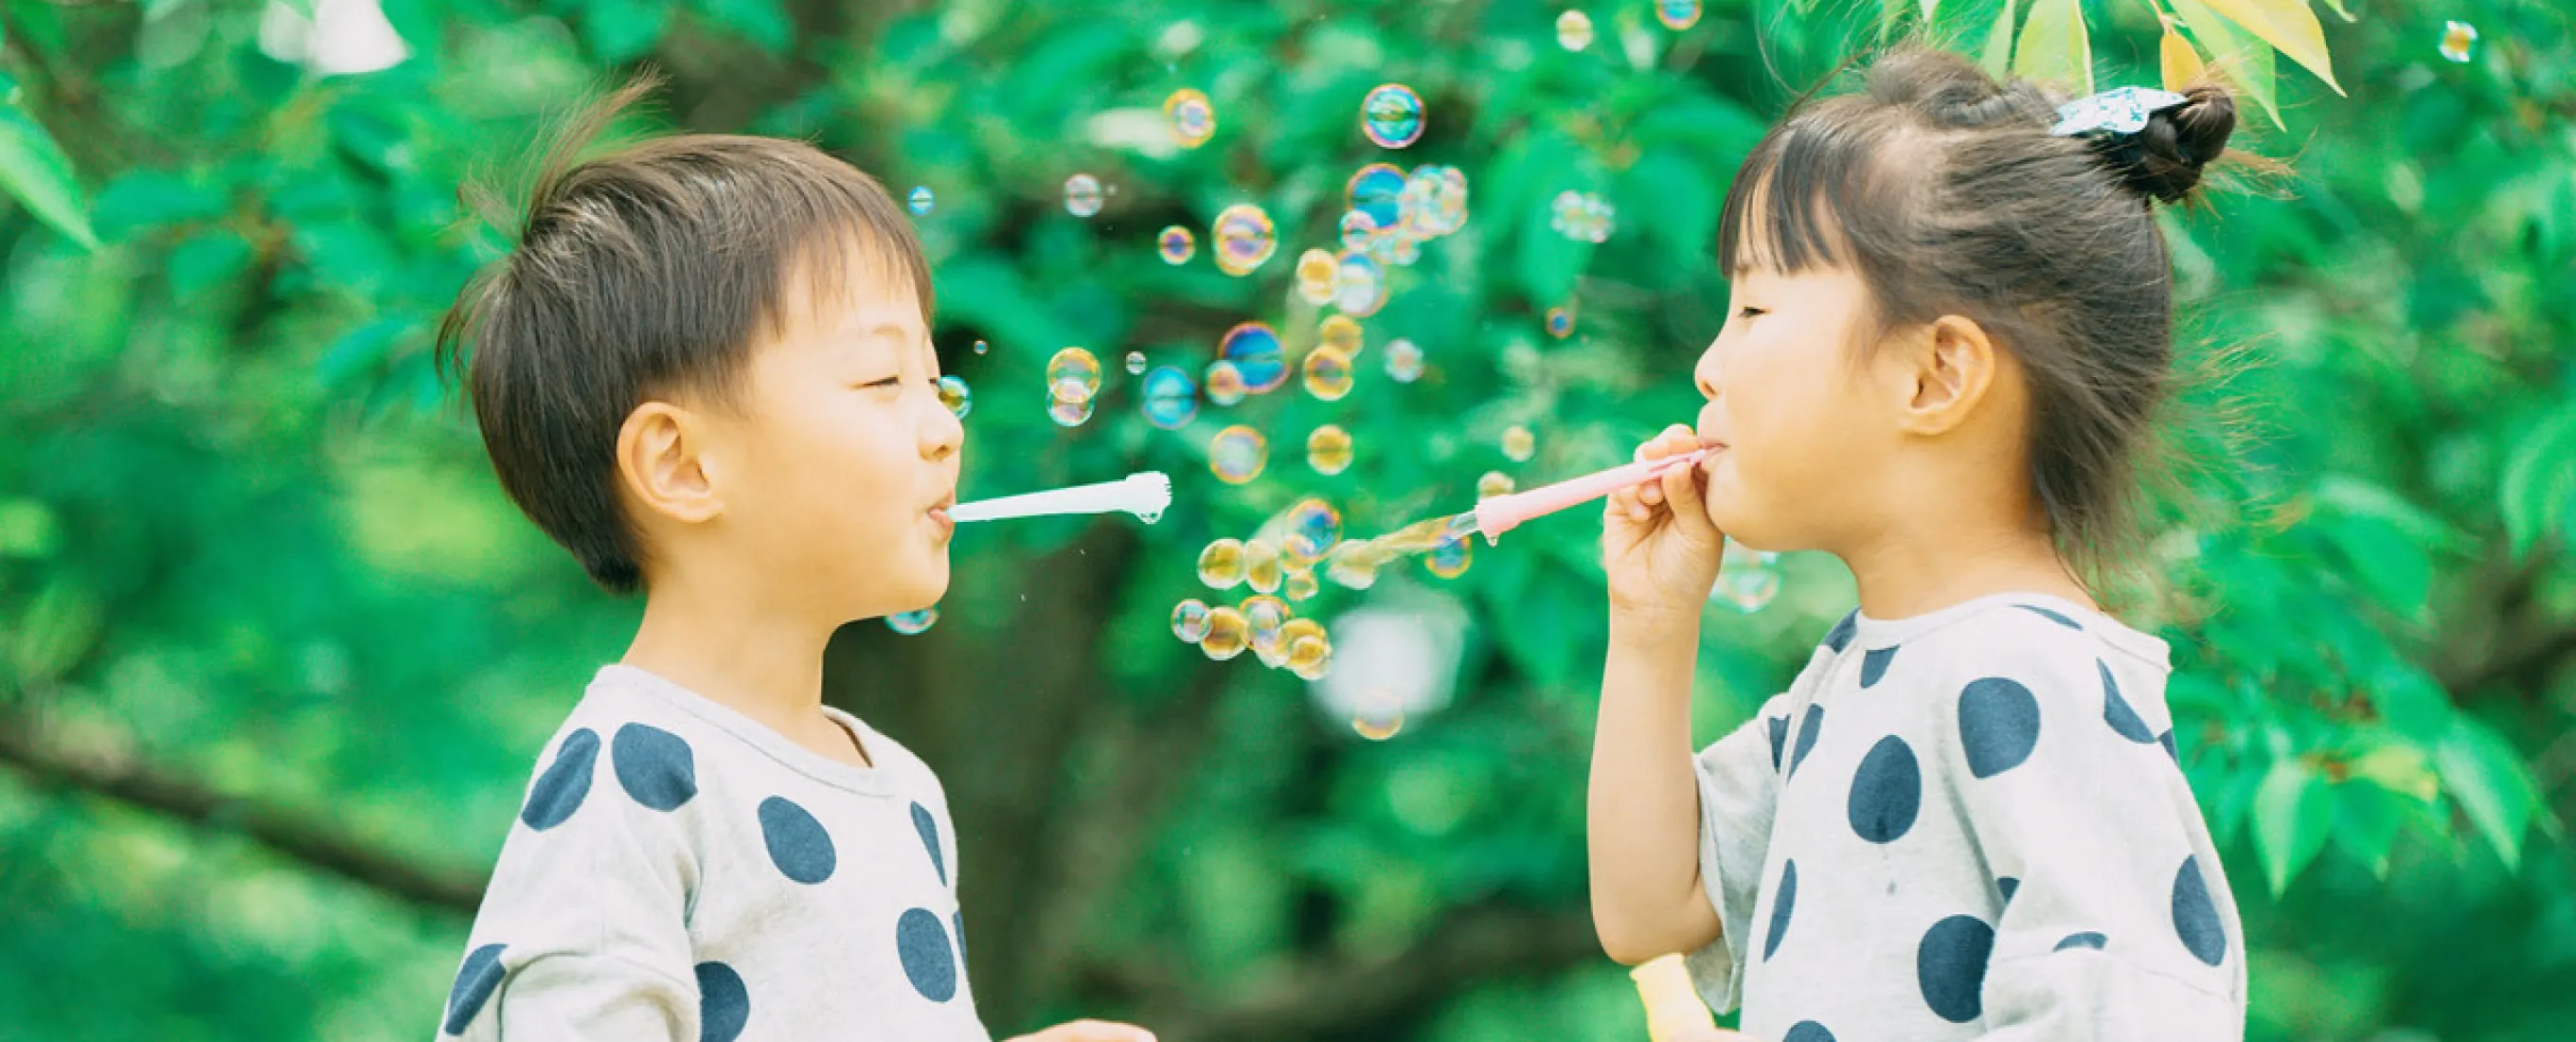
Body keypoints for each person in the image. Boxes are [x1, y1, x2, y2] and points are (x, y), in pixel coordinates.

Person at [427, 76, 1151, 1042]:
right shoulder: (633, 776)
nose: (941, 427)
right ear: (682, 463)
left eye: (936, 382)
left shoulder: (900, 789)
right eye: (881, 377)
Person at [1588, 48, 2250, 1040]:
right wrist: (1649, 622)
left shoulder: (2026, 674)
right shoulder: (1857, 674)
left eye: (1754, 309)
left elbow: (2133, 1012)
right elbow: (1651, 908)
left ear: (1934, 374)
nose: (1708, 363)